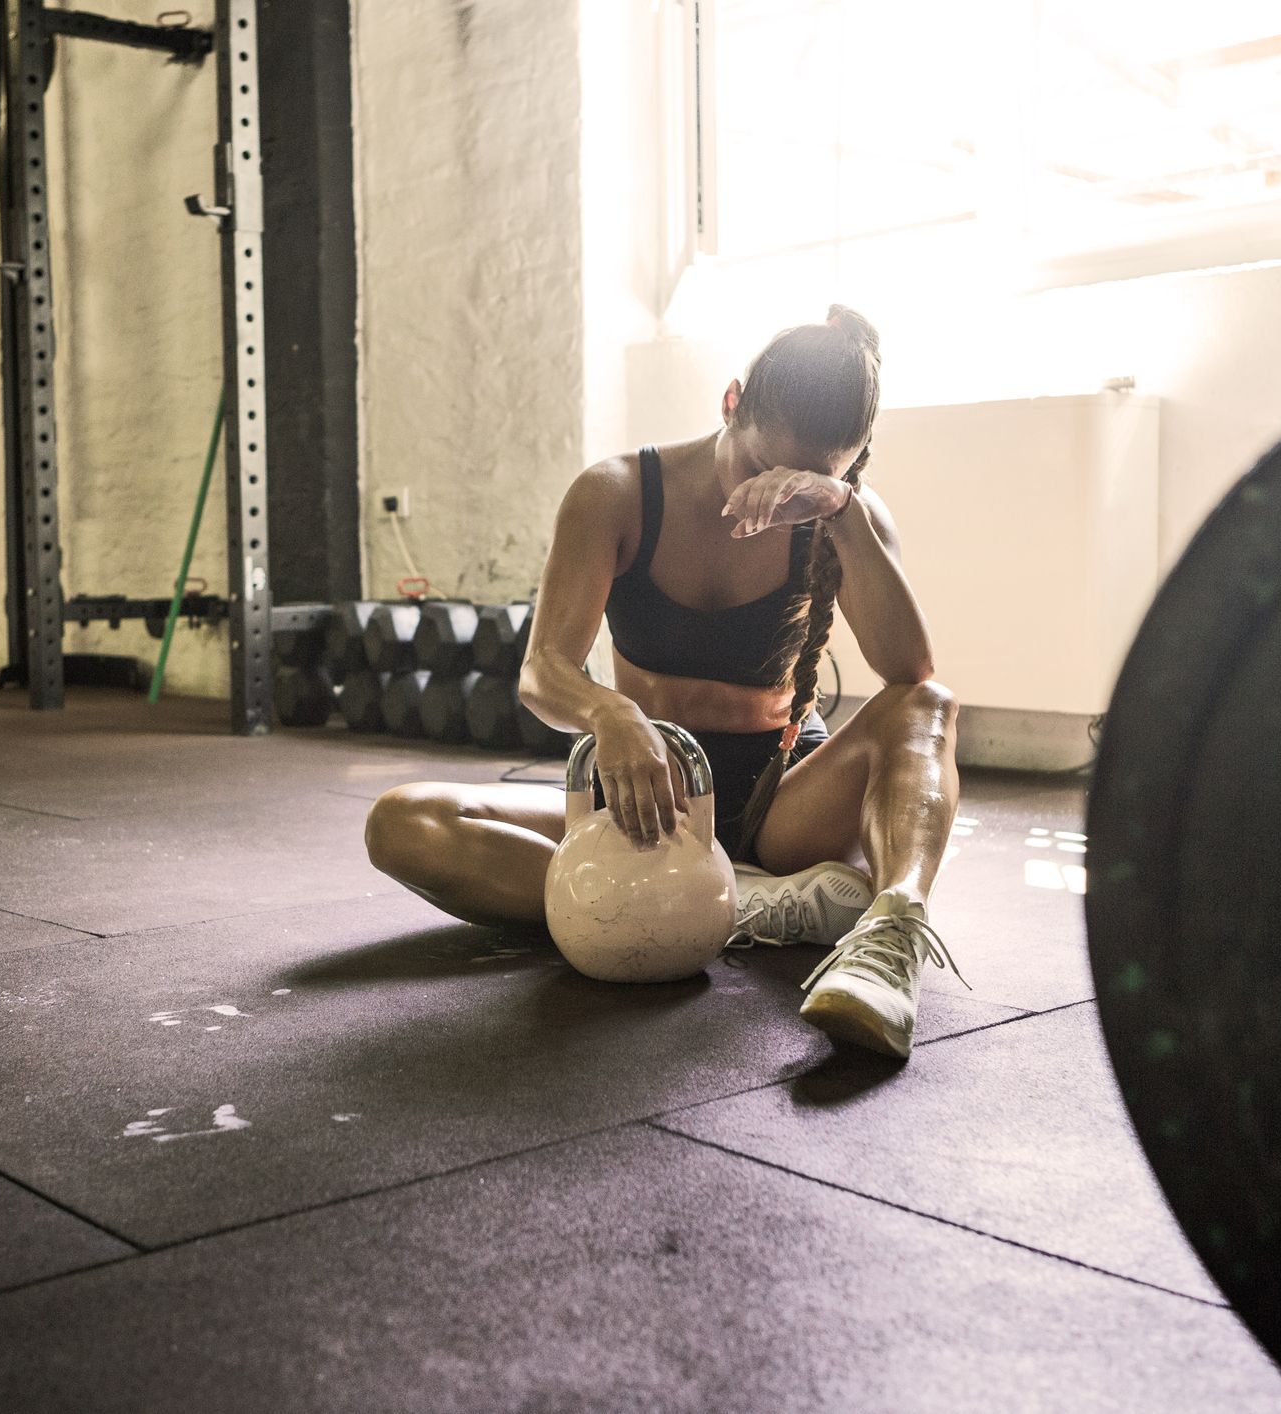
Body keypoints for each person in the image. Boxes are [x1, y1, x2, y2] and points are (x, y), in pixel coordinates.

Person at [365, 306, 964, 1058]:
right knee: (404, 823)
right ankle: (735, 903)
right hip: (649, 802)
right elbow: (542, 670)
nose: (774, 498)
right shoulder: (615, 491)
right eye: (761, 469)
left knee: (928, 706)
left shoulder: (848, 513)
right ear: (730, 402)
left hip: (784, 805)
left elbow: (908, 676)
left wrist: (839, 513)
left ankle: (893, 925)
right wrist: (609, 713)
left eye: (806, 482)